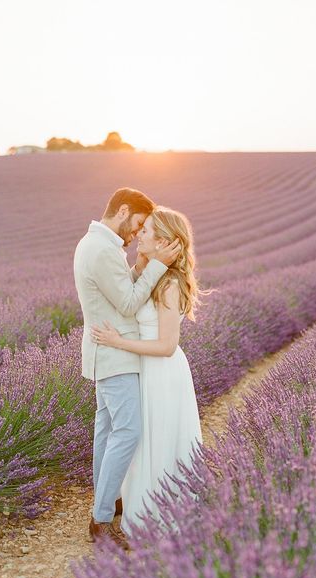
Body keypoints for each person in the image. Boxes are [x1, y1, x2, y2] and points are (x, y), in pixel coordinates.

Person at [73, 188, 180, 550]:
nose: (137, 234)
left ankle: (110, 501)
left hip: (105, 355)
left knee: (106, 431)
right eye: (136, 224)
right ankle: (102, 519)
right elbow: (130, 303)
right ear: (122, 211)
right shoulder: (102, 249)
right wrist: (158, 266)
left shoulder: (98, 245)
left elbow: (117, 290)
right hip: (115, 357)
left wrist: (137, 267)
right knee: (128, 432)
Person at [91, 206, 203, 538]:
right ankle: (134, 505)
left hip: (163, 372)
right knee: (144, 442)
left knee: (159, 442)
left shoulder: (169, 283)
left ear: (164, 241)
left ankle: (160, 515)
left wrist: (117, 342)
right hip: (147, 370)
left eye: (147, 231)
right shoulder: (153, 275)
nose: (140, 234)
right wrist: (142, 264)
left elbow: (166, 345)